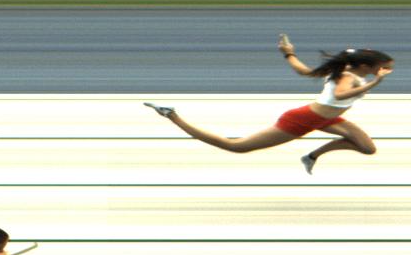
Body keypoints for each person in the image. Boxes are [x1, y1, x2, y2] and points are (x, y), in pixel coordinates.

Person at [144, 34, 393, 174]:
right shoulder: (350, 77)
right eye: (382, 68)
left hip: (325, 118)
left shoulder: (344, 70)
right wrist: (375, 83)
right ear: (365, 67)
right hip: (303, 119)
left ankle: (311, 156)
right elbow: (339, 95)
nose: (386, 70)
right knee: (237, 146)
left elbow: (304, 71)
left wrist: (288, 53)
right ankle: (172, 115)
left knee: (367, 148)